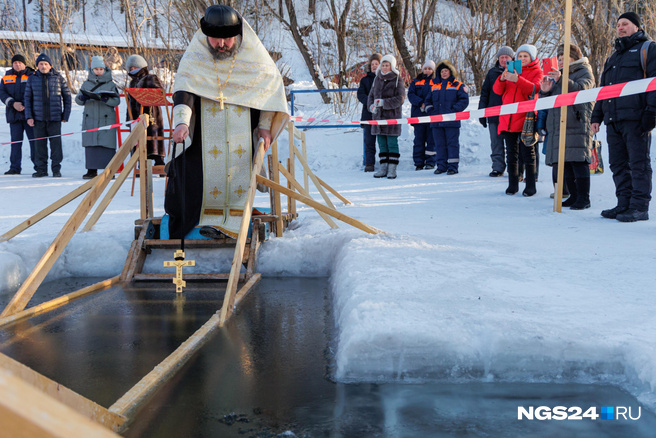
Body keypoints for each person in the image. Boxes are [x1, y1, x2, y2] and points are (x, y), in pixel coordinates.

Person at [165, 4, 288, 239]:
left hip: (241, 134)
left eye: (227, 39)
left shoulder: (254, 54)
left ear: (238, 35)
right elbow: (184, 90)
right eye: (215, 39)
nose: (221, 44)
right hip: (203, 136)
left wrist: (264, 126)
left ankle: (234, 223)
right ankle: (197, 223)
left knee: (238, 177)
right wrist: (181, 123)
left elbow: (269, 90)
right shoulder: (195, 55)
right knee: (189, 172)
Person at [591, 12, 656, 222]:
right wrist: (596, 116)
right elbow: (604, 90)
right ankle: (623, 203)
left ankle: (639, 207)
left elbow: (654, 82)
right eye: (618, 24)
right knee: (617, 164)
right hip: (613, 119)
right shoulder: (613, 57)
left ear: (636, 27)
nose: (620, 27)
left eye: (625, 24)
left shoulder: (648, 49)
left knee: (638, 164)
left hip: (637, 119)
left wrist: (651, 112)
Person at [540, 44, 595, 210]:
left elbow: (582, 89)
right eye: (559, 59)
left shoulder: (584, 71)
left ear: (574, 57)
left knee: (578, 161)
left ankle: (584, 198)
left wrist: (561, 79)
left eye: (565, 58)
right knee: (566, 163)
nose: (561, 62)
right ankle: (573, 195)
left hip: (577, 123)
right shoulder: (560, 75)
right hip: (559, 124)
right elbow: (550, 101)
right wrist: (545, 91)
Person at [493, 44, 543, 196]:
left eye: (525, 56)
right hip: (508, 118)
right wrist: (502, 79)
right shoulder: (511, 69)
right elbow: (497, 91)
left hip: (526, 119)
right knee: (511, 155)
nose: (522, 58)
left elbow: (534, 89)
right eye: (520, 56)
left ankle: (531, 186)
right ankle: (512, 185)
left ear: (532, 58)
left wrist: (517, 79)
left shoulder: (537, 71)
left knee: (528, 153)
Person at [24, 53, 71, 178]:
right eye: (41, 64)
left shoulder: (58, 78)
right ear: (37, 66)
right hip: (38, 119)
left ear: (50, 65)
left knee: (56, 146)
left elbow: (67, 97)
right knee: (39, 146)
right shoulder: (32, 78)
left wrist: (65, 115)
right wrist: (29, 117)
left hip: (54, 119)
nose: (43, 66)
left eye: (46, 64)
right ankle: (41, 169)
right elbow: (27, 99)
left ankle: (56, 169)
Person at [75, 56, 120, 179]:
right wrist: (82, 98)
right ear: (92, 70)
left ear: (104, 69)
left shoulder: (111, 84)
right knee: (91, 145)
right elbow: (78, 100)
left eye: (101, 69)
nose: (99, 71)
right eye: (96, 69)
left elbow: (116, 101)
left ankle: (109, 171)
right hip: (90, 118)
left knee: (107, 145)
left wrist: (106, 99)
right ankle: (91, 170)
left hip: (106, 119)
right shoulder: (86, 84)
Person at [424, 60, 469, 175]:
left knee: (452, 144)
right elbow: (427, 101)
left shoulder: (458, 85)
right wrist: (431, 111)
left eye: (446, 71)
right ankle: (441, 166)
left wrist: (453, 110)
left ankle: (453, 167)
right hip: (436, 122)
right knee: (439, 144)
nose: (444, 73)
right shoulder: (434, 86)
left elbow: (464, 100)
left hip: (452, 121)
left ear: (451, 72)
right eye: (442, 71)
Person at [367, 54, 405, 179]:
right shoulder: (376, 79)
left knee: (392, 143)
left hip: (391, 117)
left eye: (387, 65)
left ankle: (392, 169)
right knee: (382, 144)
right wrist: (371, 106)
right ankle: (383, 168)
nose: (384, 67)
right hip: (378, 118)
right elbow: (371, 96)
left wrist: (384, 103)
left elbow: (400, 98)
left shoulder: (397, 79)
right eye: (383, 65)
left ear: (392, 66)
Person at [125, 54, 166, 166]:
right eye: (131, 68)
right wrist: (129, 119)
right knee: (138, 139)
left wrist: (145, 95)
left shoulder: (151, 78)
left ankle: (159, 161)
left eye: (135, 67)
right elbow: (129, 102)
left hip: (151, 113)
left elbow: (159, 92)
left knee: (153, 137)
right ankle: (141, 163)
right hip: (136, 116)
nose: (133, 70)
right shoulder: (132, 82)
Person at [479, 46, 514, 177]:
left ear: (512, 58)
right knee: (496, 143)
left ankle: (513, 168)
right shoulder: (492, 73)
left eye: (506, 57)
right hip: (494, 113)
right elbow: (485, 93)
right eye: (501, 57)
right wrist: (482, 112)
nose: (504, 60)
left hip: (511, 114)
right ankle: (498, 167)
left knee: (512, 144)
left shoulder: (516, 72)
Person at [0, 54, 35, 175]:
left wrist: (24, 104)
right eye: (15, 63)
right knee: (15, 143)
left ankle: (39, 167)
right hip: (13, 115)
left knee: (34, 141)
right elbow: (2, 93)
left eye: (20, 62)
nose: (17, 64)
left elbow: (35, 92)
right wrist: (13, 103)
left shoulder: (32, 75)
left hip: (29, 115)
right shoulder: (6, 77)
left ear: (24, 64)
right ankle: (15, 168)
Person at [407, 60, 436, 170]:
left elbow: (436, 95)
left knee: (431, 140)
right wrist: (420, 103)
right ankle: (419, 162)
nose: (427, 71)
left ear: (433, 70)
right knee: (419, 140)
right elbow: (411, 95)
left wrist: (428, 104)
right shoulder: (416, 81)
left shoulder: (436, 82)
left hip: (431, 115)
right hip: (418, 115)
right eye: (425, 68)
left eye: (430, 69)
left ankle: (430, 161)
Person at [357, 53, 381, 172]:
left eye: (376, 64)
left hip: (382, 115)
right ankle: (369, 163)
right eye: (372, 64)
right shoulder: (365, 80)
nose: (374, 66)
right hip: (368, 114)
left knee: (383, 141)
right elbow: (360, 94)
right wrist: (370, 103)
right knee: (369, 141)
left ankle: (385, 162)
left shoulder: (385, 79)